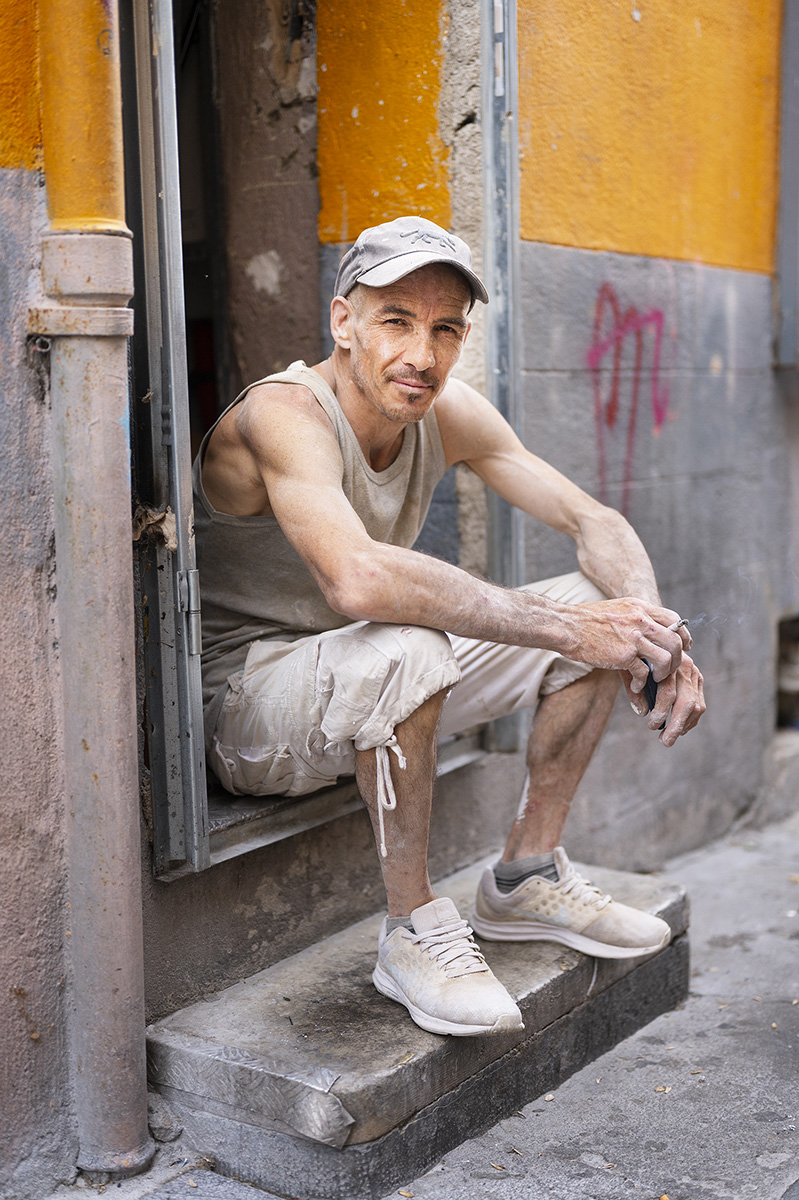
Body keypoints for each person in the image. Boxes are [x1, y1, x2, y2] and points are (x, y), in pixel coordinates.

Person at [193, 215, 705, 1039]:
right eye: (395, 321)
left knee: (597, 600)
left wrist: (653, 632)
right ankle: (411, 929)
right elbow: (357, 578)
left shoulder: (446, 410)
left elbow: (591, 520)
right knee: (420, 637)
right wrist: (568, 630)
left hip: (368, 681)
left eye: (444, 329)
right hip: (248, 707)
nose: (421, 355)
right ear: (343, 321)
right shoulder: (282, 413)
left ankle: (524, 876)